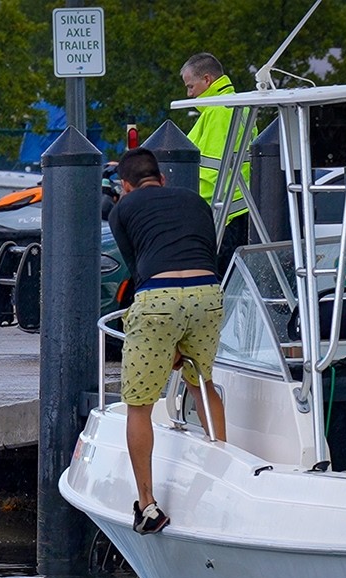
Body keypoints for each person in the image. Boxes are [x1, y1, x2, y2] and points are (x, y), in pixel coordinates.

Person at [108, 147, 227, 535]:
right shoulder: (195, 201)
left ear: (125, 186)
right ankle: (223, 479)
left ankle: (147, 505)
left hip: (157, 299)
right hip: (207, 293)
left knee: (139, 406)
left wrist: (168, 340)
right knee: (202, 384)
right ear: (162, 178)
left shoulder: (122, 210)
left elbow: (138, 267)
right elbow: (209, 253)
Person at [180, 52, 253, 275]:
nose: (189, 94)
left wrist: (186, 206)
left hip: (224, 217)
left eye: (191, 87)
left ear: (207, 80)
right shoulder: (235, 106)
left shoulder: (219, 112)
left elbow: (212, 173)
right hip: (237, 210)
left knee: (221, 287)